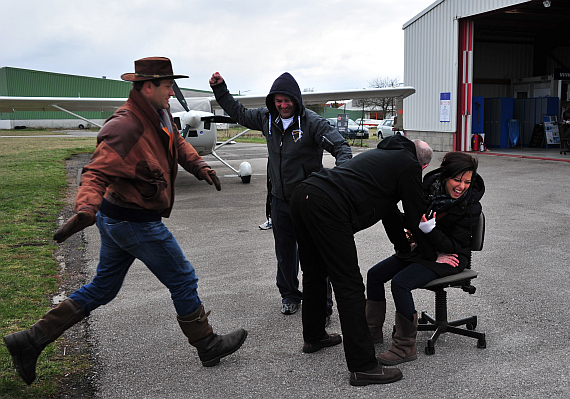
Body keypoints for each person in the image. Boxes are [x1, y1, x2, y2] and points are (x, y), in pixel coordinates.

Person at [3, 57, 247, 386]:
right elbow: (95, 172)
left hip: (120, 219)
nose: (172, 92)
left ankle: (29, 341)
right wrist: (86, 209)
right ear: (147, 87)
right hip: (134, 222)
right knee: (183, 279)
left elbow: (177, 142)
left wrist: (199, 166)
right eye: (167, 86)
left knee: (102, 288)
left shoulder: (158, 114)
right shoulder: (125, 125)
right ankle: (208, 345)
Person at [289, 135, 433, 386]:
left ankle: (314, 336)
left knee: (314, 272)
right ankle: (363, 366)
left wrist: (403, 248)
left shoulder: (384, 158)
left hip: (304, 194)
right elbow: (415, 214)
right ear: (423, 166)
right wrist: (431, 254)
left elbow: (389, 213)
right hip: (328, 205)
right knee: (350, 286)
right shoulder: (409, 165)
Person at [209, 71, 352, 315]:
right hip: (279, 201)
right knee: (285, 255)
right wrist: (221, 90)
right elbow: (239, 113)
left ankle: (322, 304)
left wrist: (341, 181)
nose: (283, 105)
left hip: (308, 201)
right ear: (272, 102)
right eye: (278, 101)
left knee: (315, 256)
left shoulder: (313, 123)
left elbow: (341, 148)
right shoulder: (267, 119)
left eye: (287, 100)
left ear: (296, 100)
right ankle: (289, 295)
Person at [366, 151, 484, 365]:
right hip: (425, 250)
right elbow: (414, 218)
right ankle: (372, 333)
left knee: (400, 283)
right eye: (457, 180)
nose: (462, 186)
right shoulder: (429, 189)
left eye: (467, 181)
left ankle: (404, 347)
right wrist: (386, 206)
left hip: (452, 257)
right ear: (444, 176)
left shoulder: (471, 205)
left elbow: (455, 246)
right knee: (374, 275)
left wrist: (430, 232)